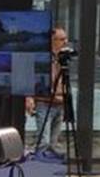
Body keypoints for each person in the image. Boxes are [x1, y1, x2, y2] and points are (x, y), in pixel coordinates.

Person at [26, 26, 71, 155]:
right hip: (44, 102)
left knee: (53, 142)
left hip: (60, 102)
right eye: (62, 39)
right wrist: (29, 97)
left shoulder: (63, 59)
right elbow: (30, 77)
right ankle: (40, 161)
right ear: (52, 40)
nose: (65, 42)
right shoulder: (41, 57)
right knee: (43, 141)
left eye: (65, 39)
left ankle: (48, 161)